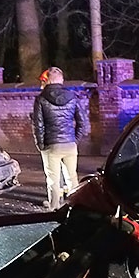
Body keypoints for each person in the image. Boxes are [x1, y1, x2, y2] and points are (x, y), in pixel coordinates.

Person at [32, 66, 88, 210]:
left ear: (47, 80)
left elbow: (38, 124)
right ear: (61, 80)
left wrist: (40, 144)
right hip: (69, 144)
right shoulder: (72, 97)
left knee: (53, 180)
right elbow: (82, 122)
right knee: (72, 177)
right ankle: (76, 206)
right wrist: (74, 139)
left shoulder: (41, 99)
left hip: (52, 145)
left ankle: (54, 207)